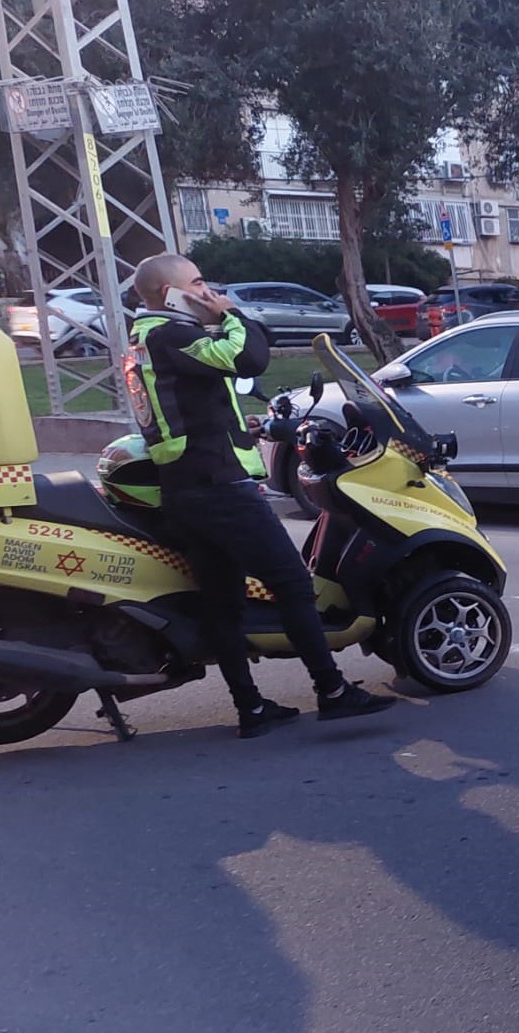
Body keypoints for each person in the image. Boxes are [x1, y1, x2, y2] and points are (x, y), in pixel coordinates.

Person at [126, 252, 393, 736]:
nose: (209, 291)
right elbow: (248, 355)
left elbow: (189, 401)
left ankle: (250, 709)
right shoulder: (170, 334)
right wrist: (230, 312)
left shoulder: (147, 340)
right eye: (199, 284)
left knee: (223, 603)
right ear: (171, 294)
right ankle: (332, 691)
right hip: (217, 488)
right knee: (292, 584)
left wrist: (241, 427)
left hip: (190, 487)